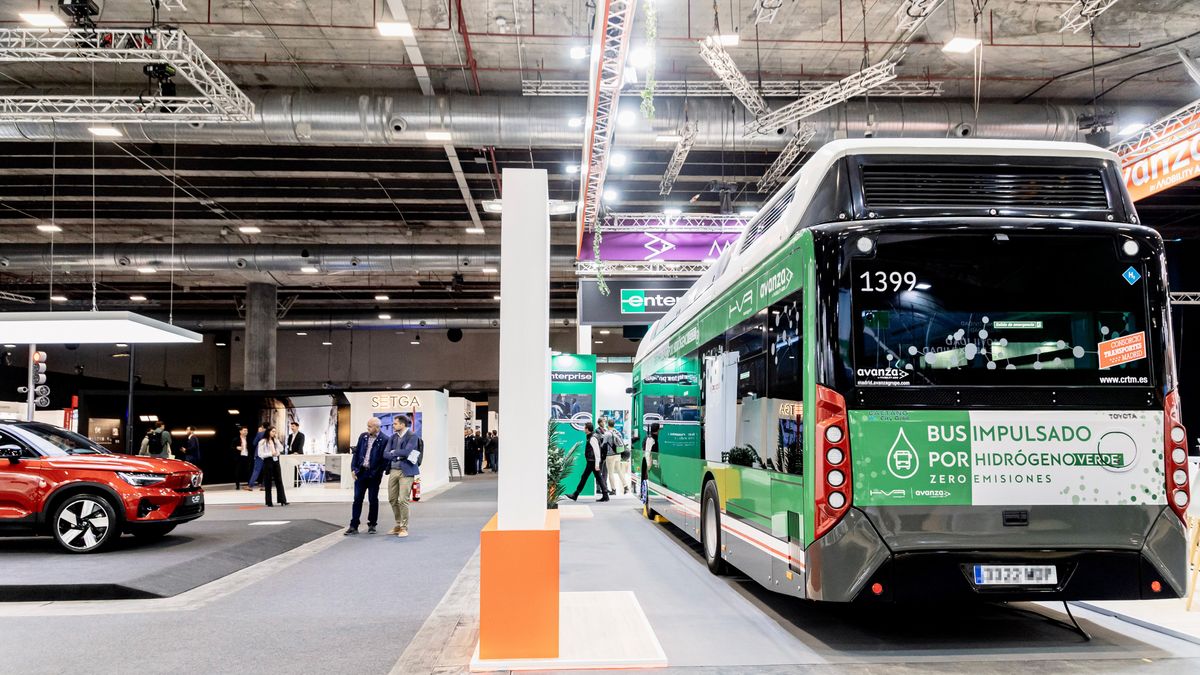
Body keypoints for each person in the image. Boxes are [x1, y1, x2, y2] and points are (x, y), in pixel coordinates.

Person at [347, 417, 388, 535]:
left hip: (374, 475)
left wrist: (377, 472)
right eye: (368, 426)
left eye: (370, 426)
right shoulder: (363, 436)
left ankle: (372, 524)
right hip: (361, 473)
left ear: (377, 427)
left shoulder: (384, 439)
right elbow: (356, 453)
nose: (367, 428)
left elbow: (384, 460)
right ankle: (354, 525)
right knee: (357, 499)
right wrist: (353, 469)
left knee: (373, 499)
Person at [383, 415, 421, 537]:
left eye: (395, 424)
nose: (393, 425)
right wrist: (398, 455)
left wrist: (394, 453)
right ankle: (398, 524)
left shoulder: (412, 436)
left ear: (402, 424)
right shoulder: (393, 437)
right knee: (392, 499)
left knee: (403, 500)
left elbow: (408, 452)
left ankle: (404, 527)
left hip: (407, 471)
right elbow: (385, 454)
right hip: (393, 470)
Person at [567, 423, 607, 502]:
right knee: (598, 478)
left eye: (584, 427)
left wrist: (596, 464)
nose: (583, 429)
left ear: (587, 429)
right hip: (592, 461)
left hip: (592, 461)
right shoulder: (591, 437)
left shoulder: (592, 438)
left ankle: (575, 494)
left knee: (585, 477)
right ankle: (605, 495)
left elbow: (597, 451)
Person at [257, 425, 288, 507]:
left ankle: (282, 500)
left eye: (275, 431)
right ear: (268, 432)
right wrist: (270, 453)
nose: (274, 433)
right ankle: (269, 501)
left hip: (276, 461)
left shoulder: (275, 440)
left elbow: (281, 449)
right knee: (268, 481)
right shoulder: (262, 441)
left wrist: (277, 440)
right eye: (272, 431)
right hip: (268, 461)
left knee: (279, 480)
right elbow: (260, 454)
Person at [595, 418, 612, 497]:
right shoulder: (597, 431)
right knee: (599, 472)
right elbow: (601, 441)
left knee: (605, 472)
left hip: (606, 455)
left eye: (604, 421)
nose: (604, 423)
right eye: (603, 421)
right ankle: (598, 488)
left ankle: (605, 487)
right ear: (599, 423)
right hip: (601, 455)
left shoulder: (606, 430)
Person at [248, 423, 267, 491]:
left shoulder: (260, 434)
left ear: (262, 427)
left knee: (256, 470)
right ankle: (264, 486)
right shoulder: (271, 433)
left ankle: (250, 485)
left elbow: (254, 443)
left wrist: (258, 432)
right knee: (266, 471)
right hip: (268, 455)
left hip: (259, 454)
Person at [232, 426, 250, 490]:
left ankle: (249, 484)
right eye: (244, 430)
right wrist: (237, 448)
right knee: (237, 471)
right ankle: (237, 485)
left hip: (246, 456)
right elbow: (232, 447)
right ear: (240, 431)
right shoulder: (236, 439)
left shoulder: (248, 439)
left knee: (248, 470)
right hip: (239, 457)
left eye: (247, 431)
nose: (246, 432)